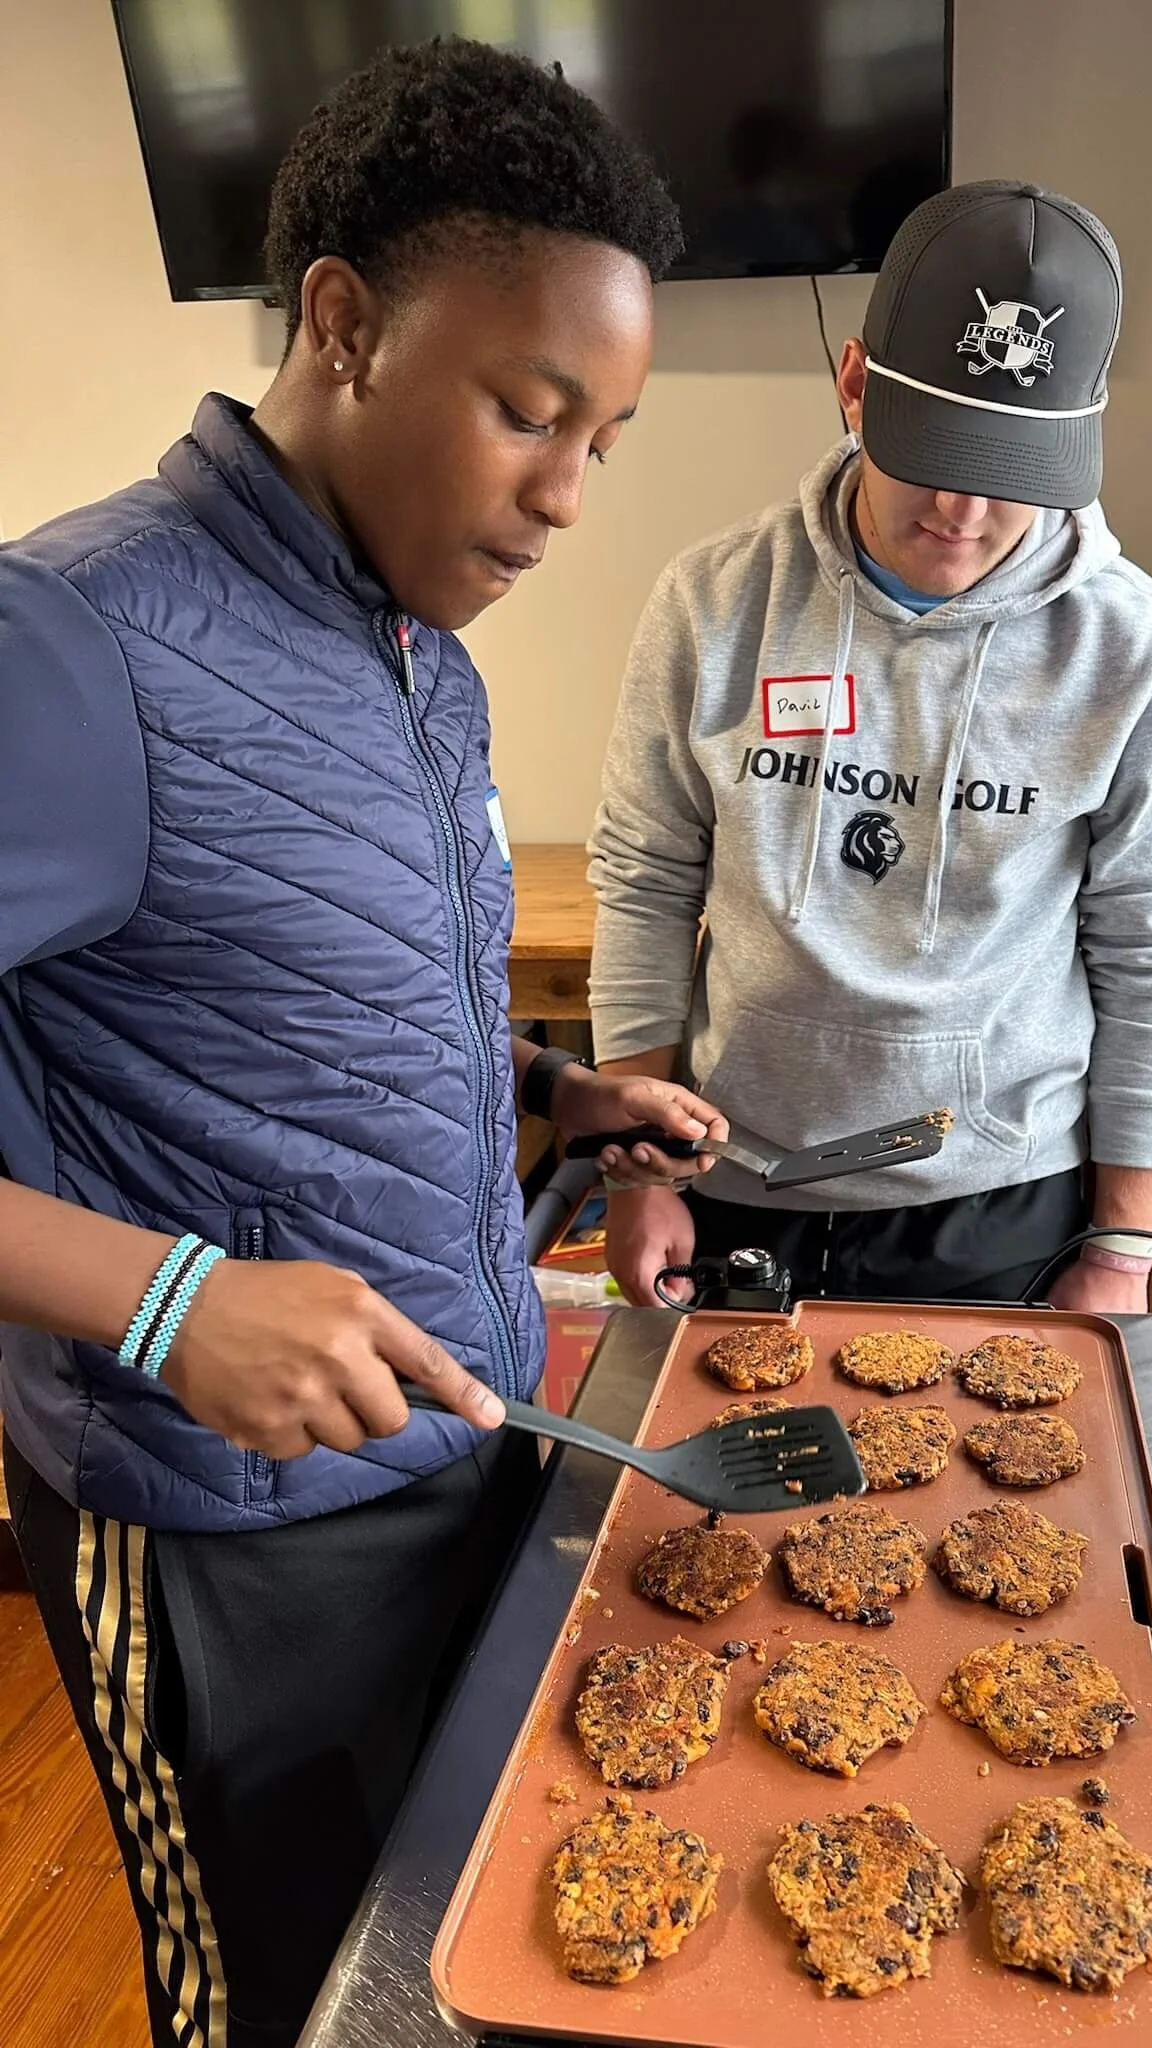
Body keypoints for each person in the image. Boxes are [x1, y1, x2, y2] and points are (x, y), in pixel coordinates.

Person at [0, 41, 727, 2048]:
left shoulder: (426, 657)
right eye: (527, 411)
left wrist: (549, 1097)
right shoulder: (69, 641)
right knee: (281, 2000)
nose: (568, 494)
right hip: (231, 1543)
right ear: (343, 319)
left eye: (608, 436)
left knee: (436, 1982)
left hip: (461, 1456)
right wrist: (165, 1303)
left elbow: (297, 1012)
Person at [589, 180, 1152, 1311]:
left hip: (998, 1201)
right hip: (733, 1176)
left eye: (1007, 474)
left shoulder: (1137, 651)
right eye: (929, 448)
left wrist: (1124, 1250)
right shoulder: (712, 602)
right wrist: (638, 1173)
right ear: (853, 384)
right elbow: (643, 886)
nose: (961, 509)